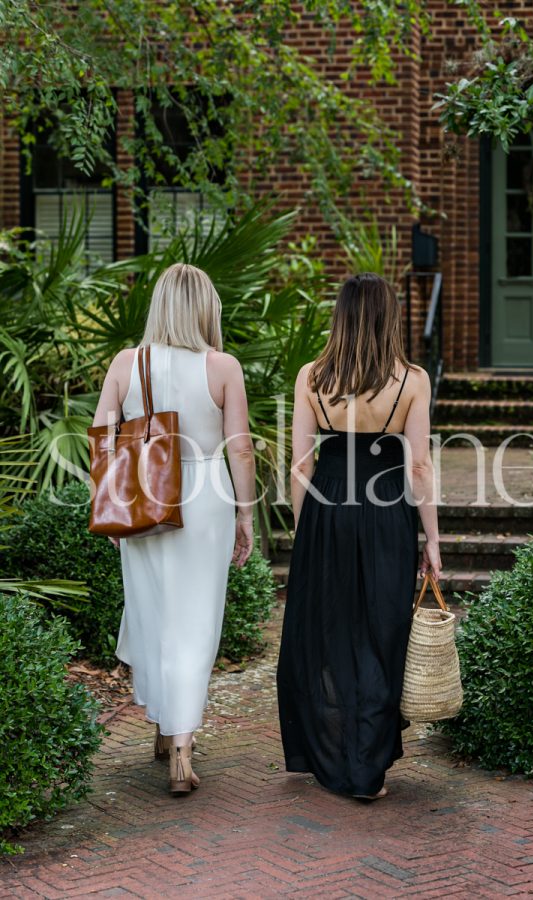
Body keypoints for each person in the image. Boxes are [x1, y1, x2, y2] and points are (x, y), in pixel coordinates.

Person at [276, 272, 441, 800]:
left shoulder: (311, 376)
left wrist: (305, 529)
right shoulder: (412, 380)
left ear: (341, 316)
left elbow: (301, 464)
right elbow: (418, 467)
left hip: (326, 509)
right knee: (381, 630)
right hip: (387, 510)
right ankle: (366, 766)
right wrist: (432, 540)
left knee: (330, 630)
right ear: (387, 316)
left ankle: (334, 755)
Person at [92, 263, 255, 795]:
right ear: (207, 307)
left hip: (143, 494)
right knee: (195, 621)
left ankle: (166, 727)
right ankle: (181, 747)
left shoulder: (125, 363)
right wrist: (246, 512)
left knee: (153, 610)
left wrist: (108, 501)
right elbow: (240, 446)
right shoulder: (222, 366)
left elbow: (103, 437)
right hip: (207, 496)